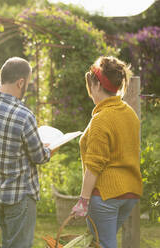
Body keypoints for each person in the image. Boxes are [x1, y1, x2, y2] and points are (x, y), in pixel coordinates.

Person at [0, 57, 53, 248]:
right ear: (21, 82)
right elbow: (39, 157)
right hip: (19, 197)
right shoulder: (24, 116)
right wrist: (49, 148)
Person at [71, 56, 142, 248]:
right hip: (129, 193)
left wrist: (83, 202)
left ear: (95, 85)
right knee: (103, 242)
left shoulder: (102, 119)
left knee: (102, 244)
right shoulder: (129, 113)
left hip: (106, 195)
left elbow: (94, 165)